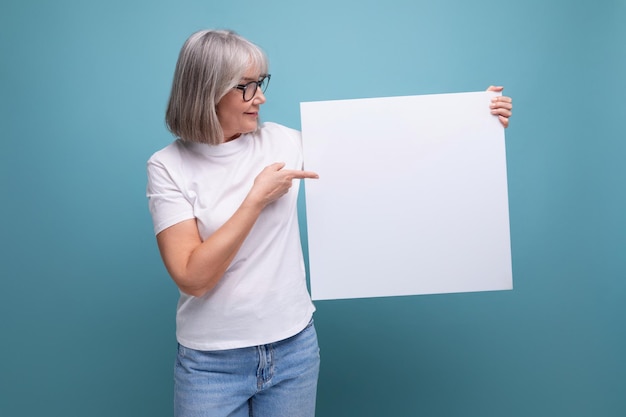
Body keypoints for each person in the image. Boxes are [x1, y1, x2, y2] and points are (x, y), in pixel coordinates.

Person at [146, 29, 513, 417]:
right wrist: (255, 200)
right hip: (211, 363)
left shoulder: (284, 143)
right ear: (208, 90)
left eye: (261, 83)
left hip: (293, 351)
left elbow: (389, 152)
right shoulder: (168, 166)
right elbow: (193, 277)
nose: (262, 97)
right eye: (246, 87)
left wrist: (472, 122)